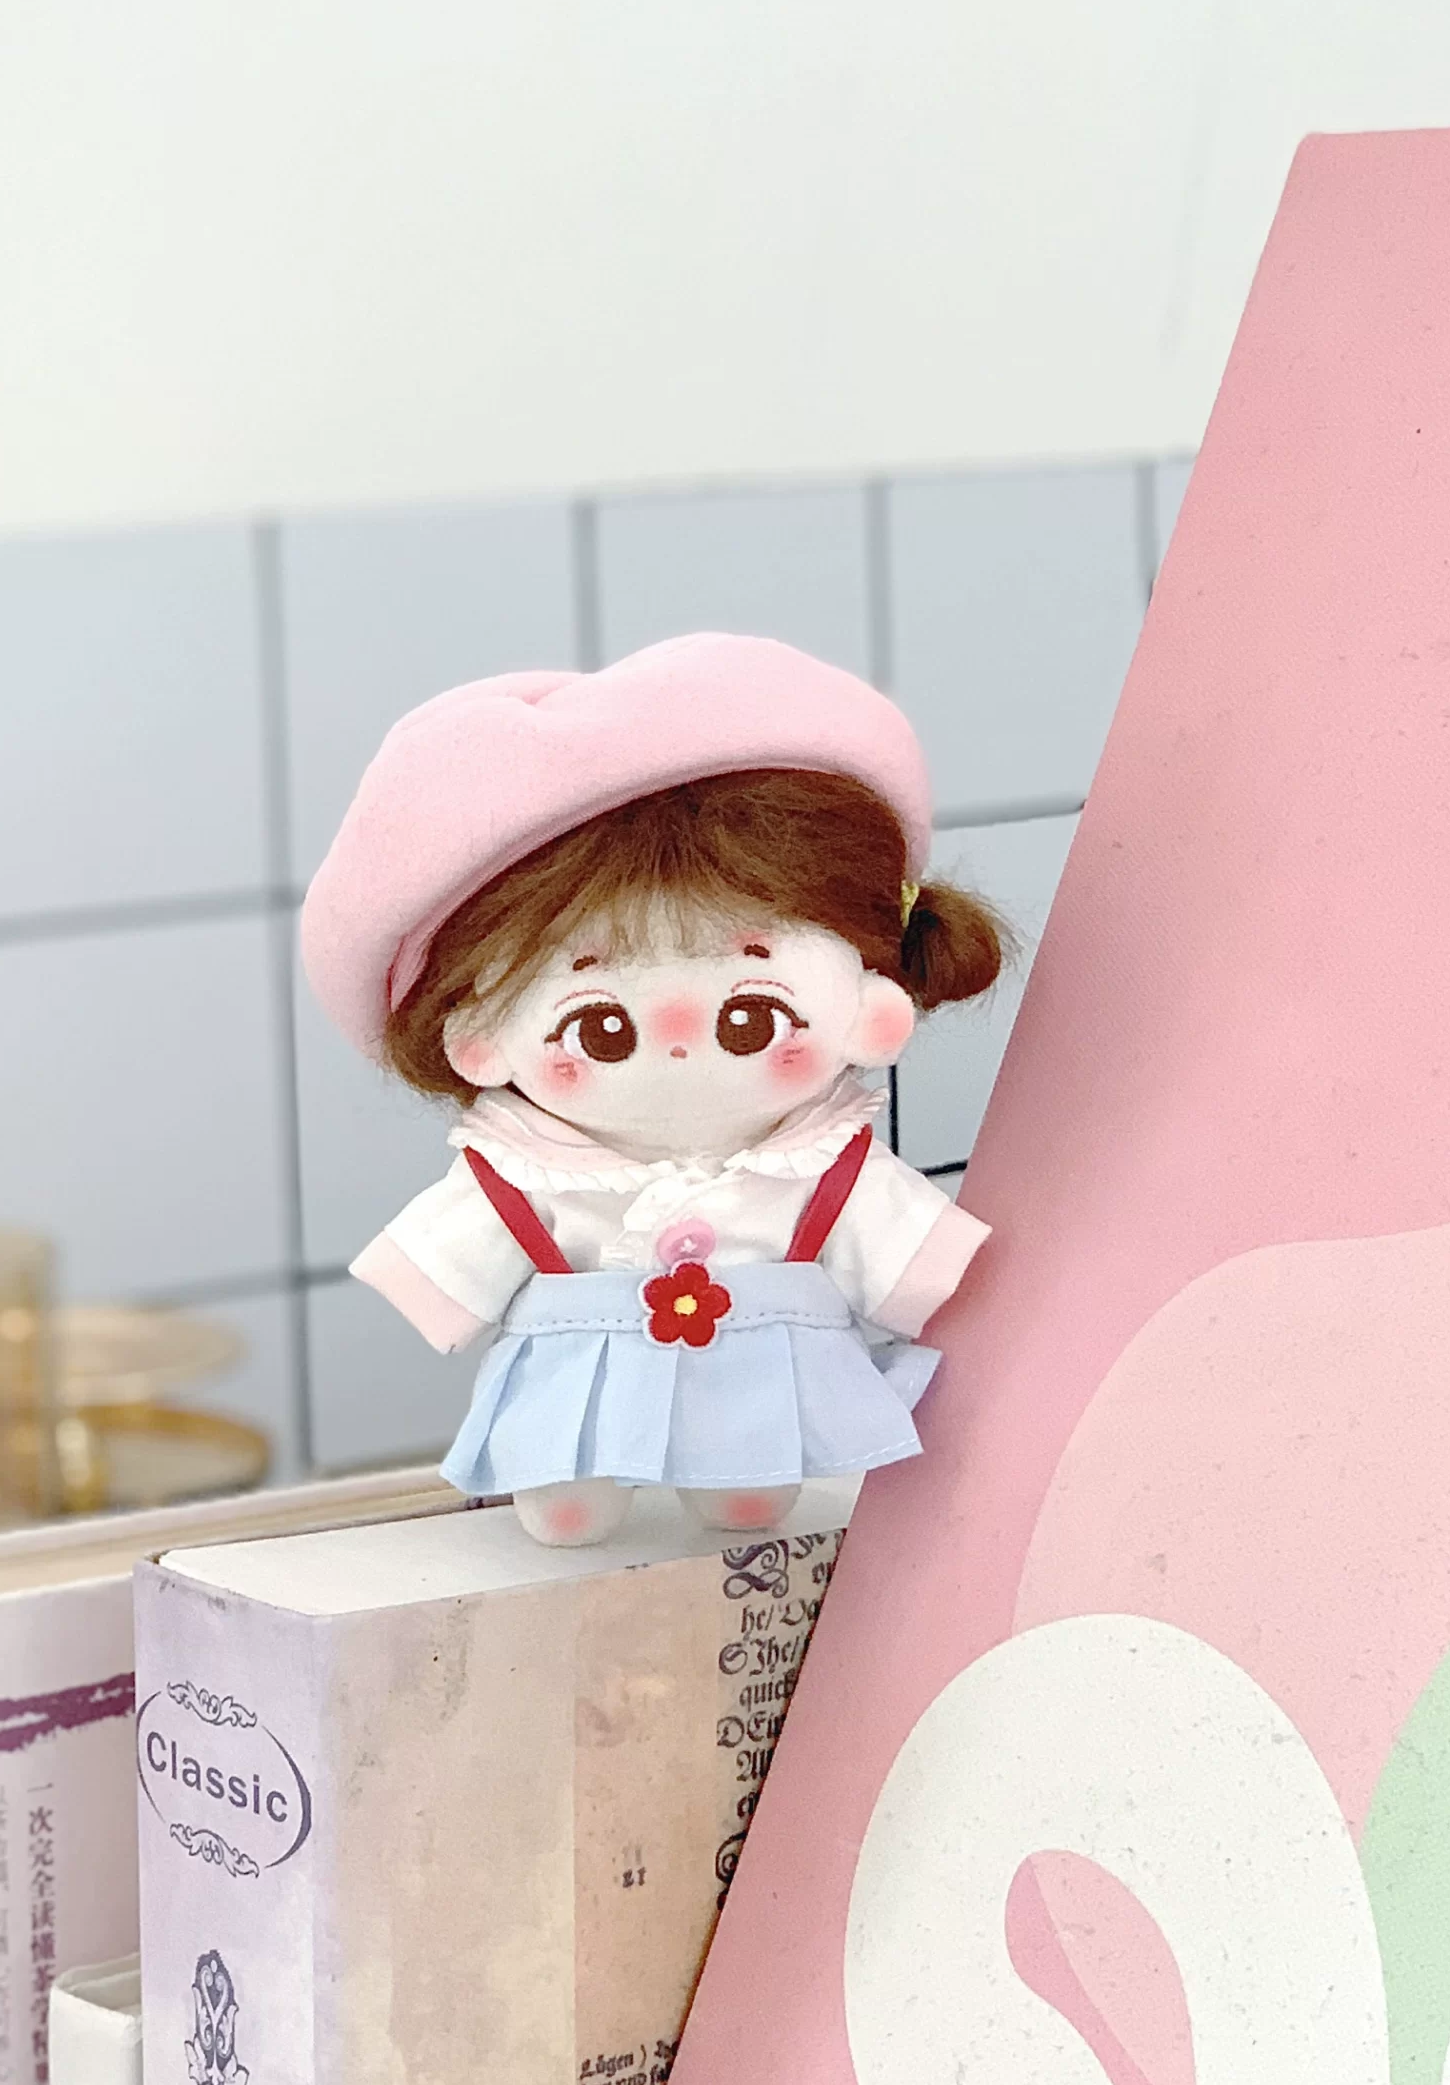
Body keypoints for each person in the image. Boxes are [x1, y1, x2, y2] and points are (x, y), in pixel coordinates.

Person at [300, 632, 1005, 1544]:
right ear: (480, 1044)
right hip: (573, 1386)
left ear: (872, 1013)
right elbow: (444, 1278)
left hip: (765, 1385)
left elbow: (924, 1276)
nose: (677, 1041)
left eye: (750, 1017)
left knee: (751, 1497)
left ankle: (738, 1479)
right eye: (602, 1027)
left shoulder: (826, 1162)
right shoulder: (525, 1174)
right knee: (569, 1495)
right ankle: (573, 1477)